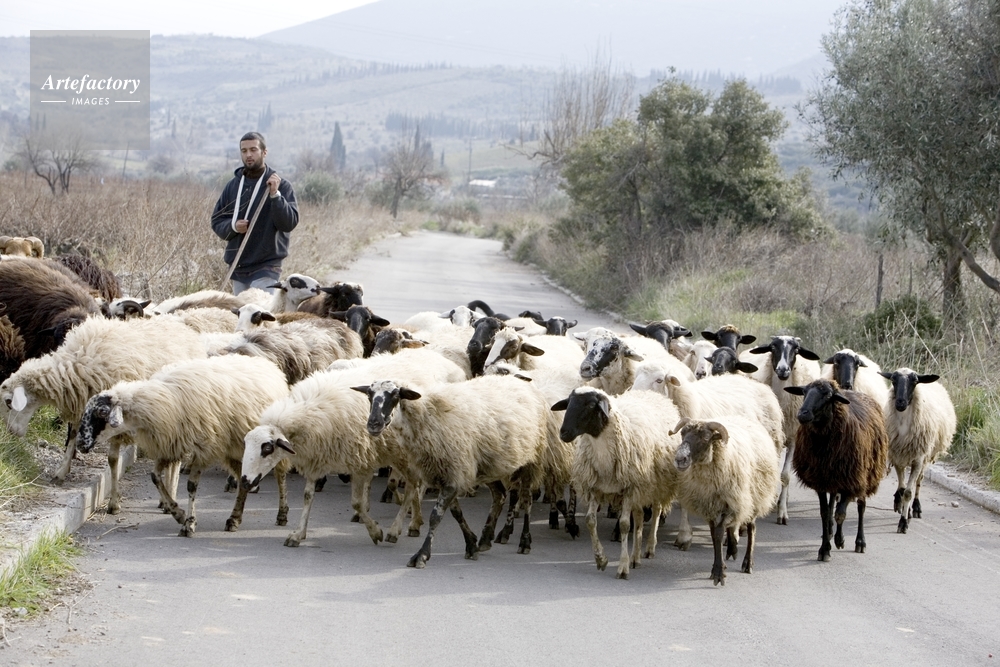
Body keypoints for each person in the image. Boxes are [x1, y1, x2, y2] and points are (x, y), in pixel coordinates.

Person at [211, 131, 299, 295]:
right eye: (244, 151)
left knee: (261, 309)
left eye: (253, 150)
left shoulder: (281, 186)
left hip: (267, 266)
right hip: (238, 266)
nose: (248, 155)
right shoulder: (233, 186)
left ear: (264, 152)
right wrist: (233, 226)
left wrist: (275, 196)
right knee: (242, 311)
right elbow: (217, 221)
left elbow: (289, 223)